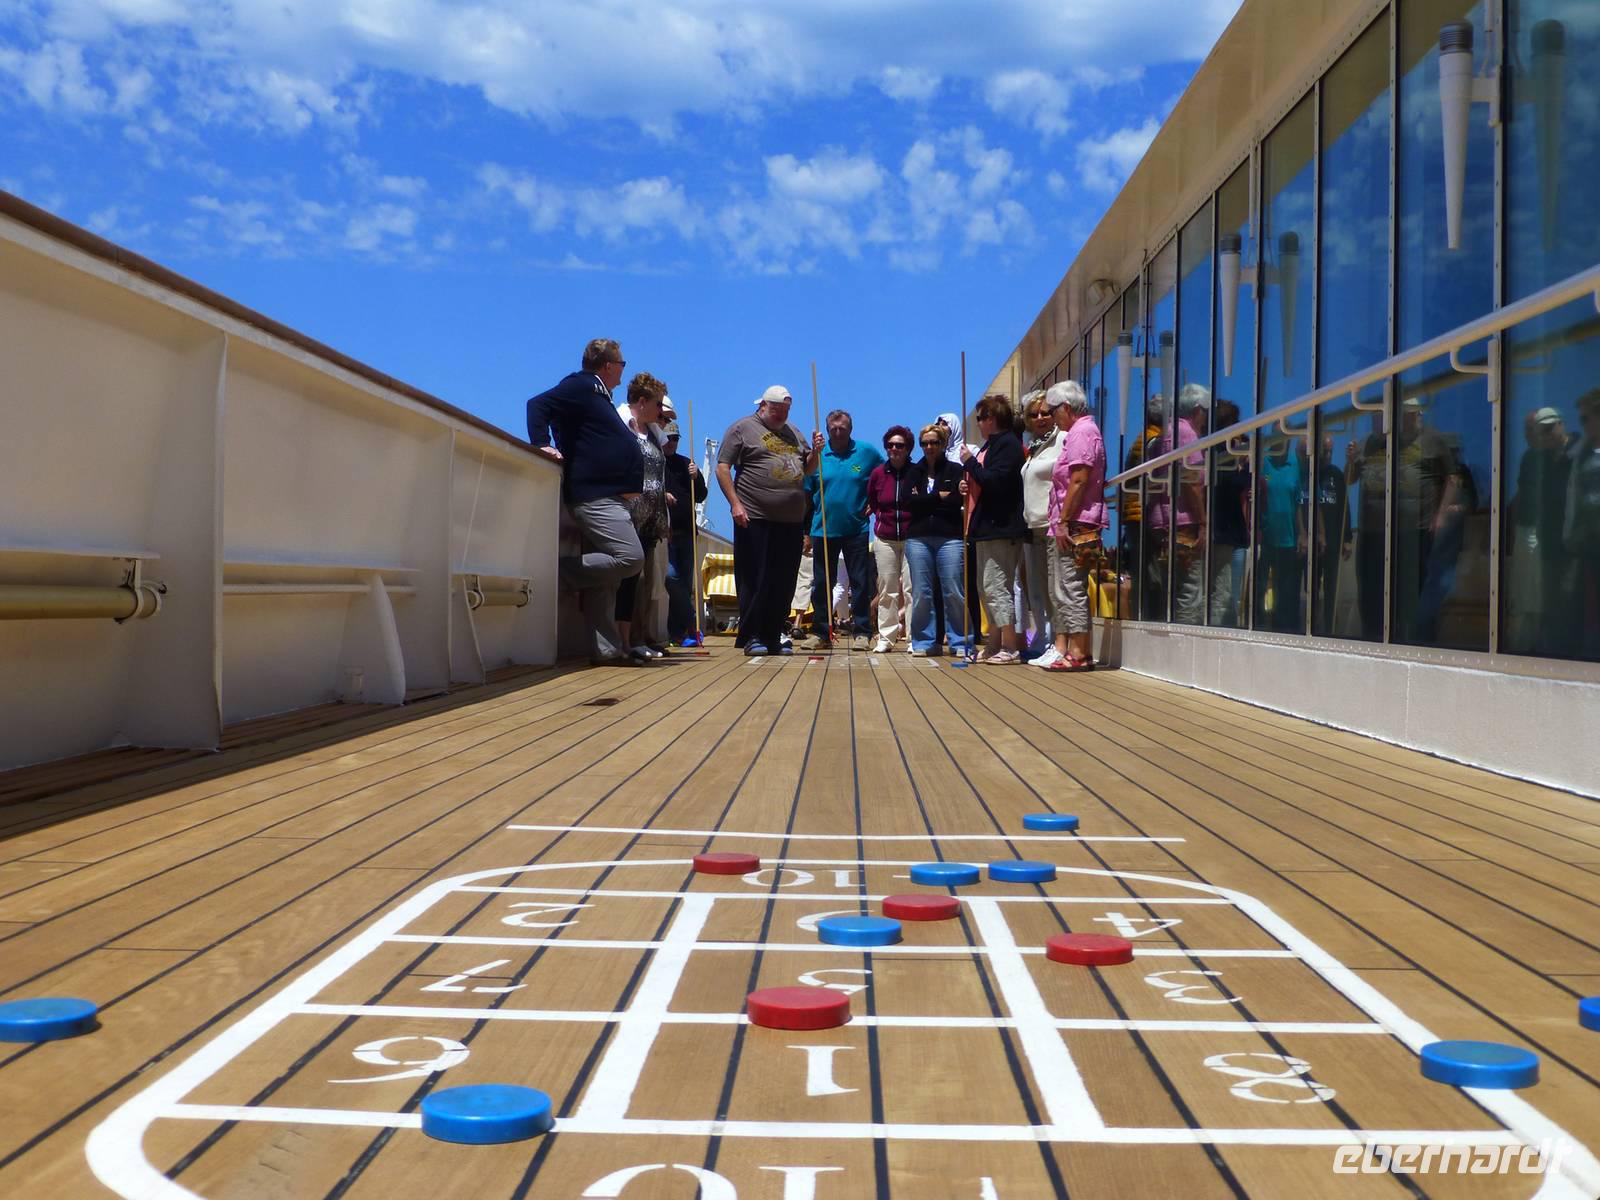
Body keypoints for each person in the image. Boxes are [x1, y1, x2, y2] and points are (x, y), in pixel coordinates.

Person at [526, 338, 645, 666]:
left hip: (608, 495)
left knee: (606, 580)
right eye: (622, 363)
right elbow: (537, 405)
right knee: (630, 559)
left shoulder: (599, 393)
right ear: (608, 365)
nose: (623, 370)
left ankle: (607, 651)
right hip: (594, 495)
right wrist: (541, 443)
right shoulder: (581, 385)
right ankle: (556, 573)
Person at [716, 386, 823, 656]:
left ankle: (773, 633)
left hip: (790, 520)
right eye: (776, 410)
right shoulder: (741, 428)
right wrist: (735, 504)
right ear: (763, 405)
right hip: (755, 515)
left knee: (784, 579)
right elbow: (722, 467)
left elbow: (808, 469)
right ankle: (752, 635)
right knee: (755, 577)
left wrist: (816, 452)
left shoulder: (795, 432)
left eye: (786, 411)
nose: (781, 415)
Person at [801, 409, 883, 650]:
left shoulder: (866, 452)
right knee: (822, 584)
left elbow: (884, 475)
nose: (838, 432)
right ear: (827, 431)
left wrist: (875, 501)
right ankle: (821, 632)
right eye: (833, 428)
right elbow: (806, 492)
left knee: (859, 583)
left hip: (856, 528)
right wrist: (805, 531)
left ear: (851, 429)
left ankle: (862, 632)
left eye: (843, 428)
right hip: (822, 529)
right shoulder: (817, 456)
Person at [1045, 381, 1108, 671]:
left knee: (1071, 586)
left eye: (1052, 410)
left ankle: (1080, 652)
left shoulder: (1082, 432)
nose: (1050, 416)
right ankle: (1074, 648)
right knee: (1065, 587)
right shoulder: (1079, 432)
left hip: (1077, 523)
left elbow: (1080, 479)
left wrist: (1064, 521)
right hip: (1071, 521)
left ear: (1066, 408)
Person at [961, 394, 1027, 663]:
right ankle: (995, 643)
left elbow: (996, 482)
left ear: (991, 418)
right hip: (985, 527)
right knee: (984, 587)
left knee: (997, 586)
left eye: (979, 418)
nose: (977, 423)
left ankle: (1010, 646)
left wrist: (970, 464)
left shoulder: (1008, 445)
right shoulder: (992, 445)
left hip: (1001, 527)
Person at [905, 422, 968, 656]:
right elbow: (908, 502)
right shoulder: (913, 471)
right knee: (922, 592)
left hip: (949, 536)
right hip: (918, 538)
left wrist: (927, 499)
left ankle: (960, 641)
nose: (929, 447)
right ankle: (924, 642)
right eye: (925, 443)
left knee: (953, 590)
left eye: (934, 442)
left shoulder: (955, 470)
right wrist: (939, 496)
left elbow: (957, 501)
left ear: (943, 444)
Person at [1020, 389, 1065, 666]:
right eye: (1034, 414)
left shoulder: (1064, 440)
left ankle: (1060, 643)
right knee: (1039, 588)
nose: (1040, 418)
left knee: (1056, 588)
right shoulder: (1034, 445)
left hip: (1052, 524)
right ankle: (1048, 641)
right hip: (1032, 525)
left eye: (1045, 412)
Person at [866, 425, 916, 653]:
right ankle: (886, 637)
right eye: (890, 445)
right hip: (885, 538)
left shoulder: (917, 472)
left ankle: (915, 638)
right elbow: (873, 501)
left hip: (912, 538)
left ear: (908, 448)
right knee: (887, 588)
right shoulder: (878, 473)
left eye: (900, 445)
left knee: (912, 589)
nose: (894, 449)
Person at [661, 419, 707, 644]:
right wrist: (663, 494)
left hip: (688, 532)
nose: (672, 442)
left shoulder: (687, 464)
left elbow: (701, 495)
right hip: (665, 532)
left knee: (685, 584)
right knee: (671, 578)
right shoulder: (656, 462)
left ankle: (677, 635)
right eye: (668, 438)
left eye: (675, 438)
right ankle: (691, 625)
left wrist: (696, 476)